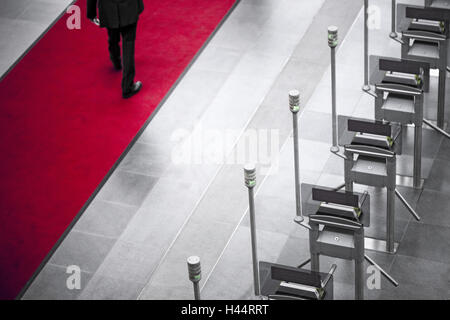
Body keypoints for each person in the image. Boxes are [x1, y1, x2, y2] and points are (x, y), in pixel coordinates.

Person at [87, 0, 144, 99]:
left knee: (113, 33)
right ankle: (128, 86)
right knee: (128, 44)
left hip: (108, 7)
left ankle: (116, 60)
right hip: (129, 6)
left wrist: (91, 13)